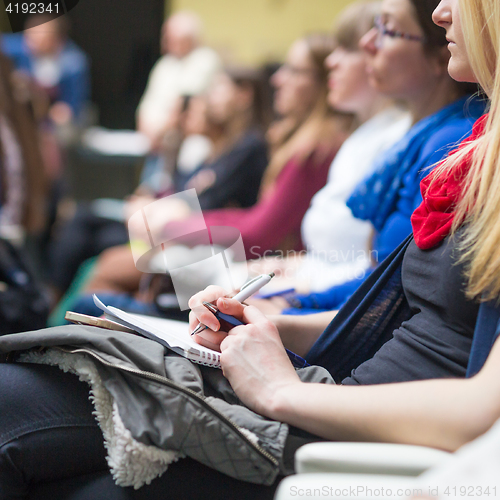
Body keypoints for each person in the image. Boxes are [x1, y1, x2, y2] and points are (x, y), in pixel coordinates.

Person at [1, 0, 498, 498]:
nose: (441, 11)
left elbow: (275, 232)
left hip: (328, 410)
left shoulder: (353, 142)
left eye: (384, 33)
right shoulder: (437, 144)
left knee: (102, 291)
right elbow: (401, 309)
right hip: (312, 356)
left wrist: (282, 366)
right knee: (98, 281)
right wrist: (263, 322)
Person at [79, 33, 351, 303]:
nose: (278, 79)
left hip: (258, 266)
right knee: (103, 257)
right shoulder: (288, 142)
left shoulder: (303, 148)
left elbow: (257, 230)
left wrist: (175, 226)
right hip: (241, 254)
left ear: (324, 81)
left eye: (294, 70)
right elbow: (243, 214)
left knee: (106, 271)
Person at [47, 66, 271, 298]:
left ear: (244, 95)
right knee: (91, 239)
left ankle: (56, 308)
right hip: (183, 236)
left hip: (207, 248)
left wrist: (162, 221)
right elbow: (192, 195)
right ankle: (55, 305)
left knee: (102, 261)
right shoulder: (227, 146)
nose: (211, 97)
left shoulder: (250, 146)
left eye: (219, 89)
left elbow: (202, 204)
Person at [136, 11, 221, 153]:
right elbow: (146, 107)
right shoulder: (164, 64)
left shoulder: (205, 60)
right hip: (153, 145)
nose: (164, 42)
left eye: (170, 37)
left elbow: (184, 105)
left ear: (189, 39)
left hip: (185, 145)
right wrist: (148, 135)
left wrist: (157, 135)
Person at [2, 15, 90, 126]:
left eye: (42, 41)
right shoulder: (20, 47)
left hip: (53, 121)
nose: (33, 45)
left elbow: (74, 103)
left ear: (57, 39)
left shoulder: (74, 63)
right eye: (29, 39)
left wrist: (63, 111)